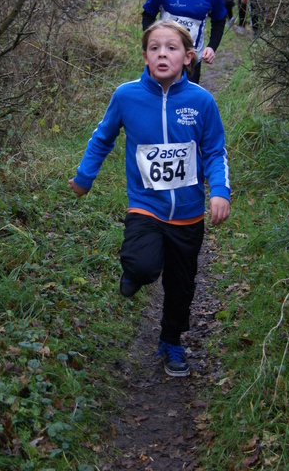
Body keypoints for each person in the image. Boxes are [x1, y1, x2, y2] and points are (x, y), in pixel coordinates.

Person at [68, 21, 231, 377]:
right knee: (143, 264)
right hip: (145, 205)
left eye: (171, 48)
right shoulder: (126, 96)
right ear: (144, 56)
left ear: (188, 57)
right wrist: (84, 179)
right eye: (154, 48)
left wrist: (219, 191)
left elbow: (215, 151)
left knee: (181, 286)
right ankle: (137, 270)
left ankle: (171, 342)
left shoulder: (201, 101)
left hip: (188, 214)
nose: (162, 54)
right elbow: (102, 138)